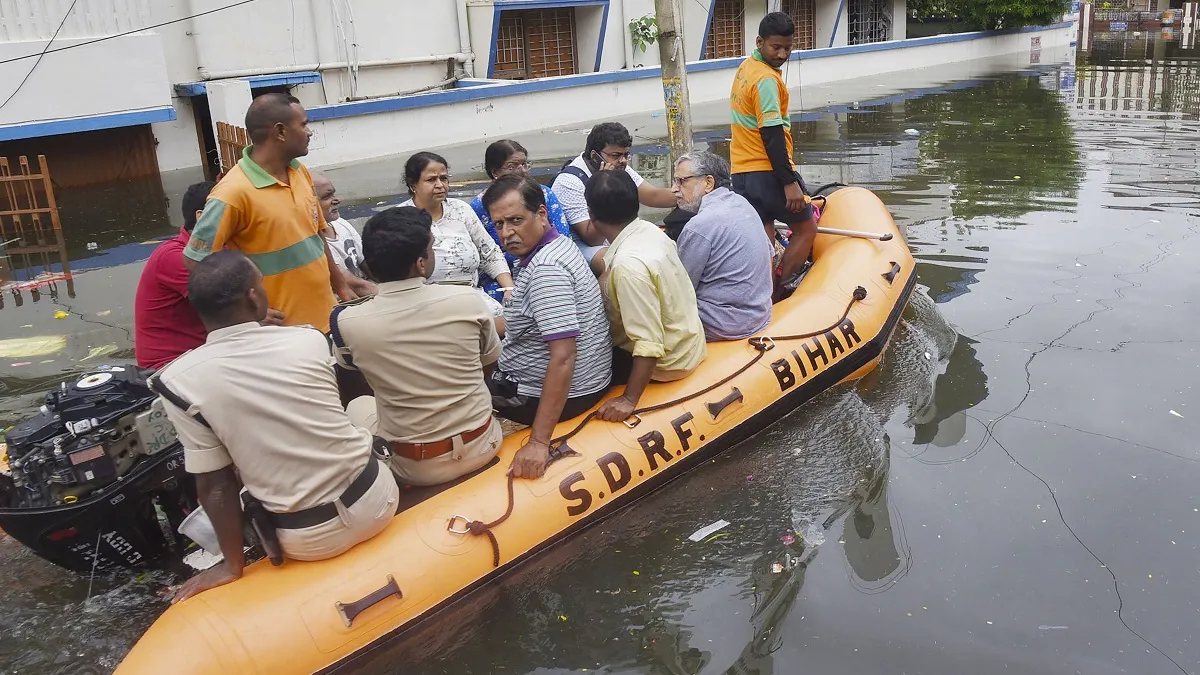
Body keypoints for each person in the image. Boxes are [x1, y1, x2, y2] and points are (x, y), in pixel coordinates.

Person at [158, 250, 397, 604]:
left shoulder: (176, 382)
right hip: (377, 503)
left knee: (228, 463)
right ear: (254, 296)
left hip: (305, 540)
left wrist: (231, 568)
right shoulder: (308, 339)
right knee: (361, 407)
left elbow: (214, 485)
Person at [333, 207, 503, 486]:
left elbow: (352, 376)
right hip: (483, 443)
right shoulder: (467, 300)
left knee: (358, 404)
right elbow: (488, 363)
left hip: (413, 467)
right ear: (421, 263)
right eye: (432, 248)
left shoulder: (346, 321)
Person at [184, 93, 353, 332]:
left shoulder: (300, 172)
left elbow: (316, 235)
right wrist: (246, 314)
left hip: (326, 316)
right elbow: (195, 260)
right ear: (280, 132)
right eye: (303, 124)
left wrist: (341, 286)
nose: (310, 132)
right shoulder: (231, 193)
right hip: (281, 332)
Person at [481, 174, 612, 479]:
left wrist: (539, 441)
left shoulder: (546, 271)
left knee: (455, 391)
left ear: (541, 214)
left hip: (547, 395)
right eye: (499, 224)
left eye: (515, 220)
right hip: (584, 381)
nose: (507, 233)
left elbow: (563, 355)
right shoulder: (557, 246)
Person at [586, 171, 705, 423]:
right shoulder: (650, 230)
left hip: (668, 362)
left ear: (592, 215)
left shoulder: (628, 268)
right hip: (688, 341)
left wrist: (628, 400)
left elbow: (649, 344)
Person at [730, 12, 818, 301]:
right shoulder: (767, 80)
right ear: (760, 42)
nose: (782, 54)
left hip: (741, 171)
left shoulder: (747, 67)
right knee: (806, 228)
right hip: (766, 171)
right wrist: (789, 181)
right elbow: (772, 134)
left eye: (788, 48)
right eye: (776, 47)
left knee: (765, 237)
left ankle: (760, 297)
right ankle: (779, 292)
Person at [549, 122, 677, 275]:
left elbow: (652, 196)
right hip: (580, 246)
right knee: (614, 262)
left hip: (615, 235)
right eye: (616, 155)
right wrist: (603, 186)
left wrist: (691, 195)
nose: (623, 161)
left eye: (625, 155)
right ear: (594, 156)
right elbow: (592, 238)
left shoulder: (618, 165)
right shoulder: (569, 182)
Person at [400, 152, 513, 323]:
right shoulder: (400, 219)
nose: (440, 185)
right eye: (431, 180)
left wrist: (509, 288)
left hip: (472, 298)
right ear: (412, 184)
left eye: (444, 178)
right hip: (427, 307)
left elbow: (489, 254)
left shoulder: (461, 210)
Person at [671, 151, 774, 340]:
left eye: (681, 181)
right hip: (759, 314)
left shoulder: (699, 226)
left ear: (708, 183)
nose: (673, 189)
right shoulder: (742, 203)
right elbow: (770, 255)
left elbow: (681, 289)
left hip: (725, 324)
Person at [469, 139, 573, 303]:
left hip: (547, 262)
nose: (522, 171)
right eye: (512, 166)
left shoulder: (544, 194)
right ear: (495, 172)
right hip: (504, 273)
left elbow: (562, 236)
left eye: (525, 164)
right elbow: (483, 254)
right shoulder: (479, 206)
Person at [134, 181, 214, 369]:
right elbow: (235, 310)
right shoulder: (175, 258)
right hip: (168, 367)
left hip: (201, 355)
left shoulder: (221, 247)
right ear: (202, 217)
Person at [312, 172, 376, 298]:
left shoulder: (341, 224)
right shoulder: (309, 242)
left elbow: (368, 264)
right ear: (308, 204)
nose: (337, 200)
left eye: (333, 194)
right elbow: (356, 286)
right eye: (327, 197)